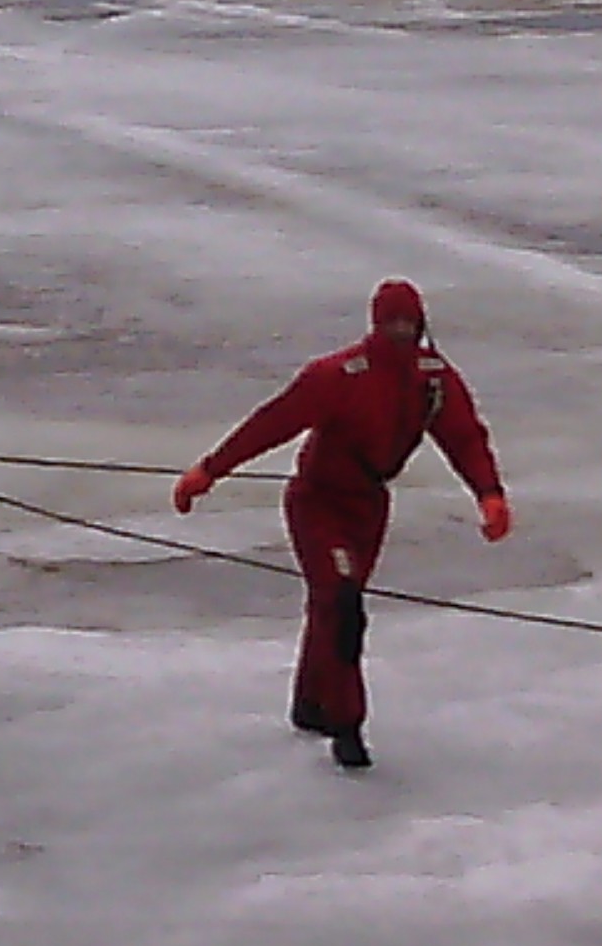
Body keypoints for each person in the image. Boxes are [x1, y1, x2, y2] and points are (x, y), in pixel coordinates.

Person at [172, 278, 512, 770]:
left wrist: (489, 492)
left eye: (409, 324)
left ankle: (311, 705)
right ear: (376, 324)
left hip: (369, 507)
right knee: (343, 603)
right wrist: (210, 470)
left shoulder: (432, 379)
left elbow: (463, 436)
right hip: (318, 503)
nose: (401, 332)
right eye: (392, 323)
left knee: (331, 606)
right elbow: (274, 421)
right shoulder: (339, 374)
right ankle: (348, 725)